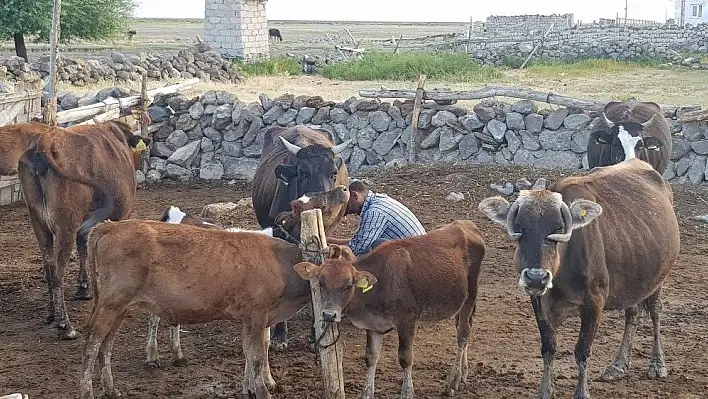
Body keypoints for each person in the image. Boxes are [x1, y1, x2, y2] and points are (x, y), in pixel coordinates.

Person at [327, 179, 426, 255]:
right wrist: (327, 240)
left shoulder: (374, 212)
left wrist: (327, 250)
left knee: (377, 247)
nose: (343, 206)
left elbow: (357, 249)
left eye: (345, 201)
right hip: (418, 252)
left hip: (416, 260)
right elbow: (357, 242)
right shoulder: (380, 200)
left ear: (354, 196)